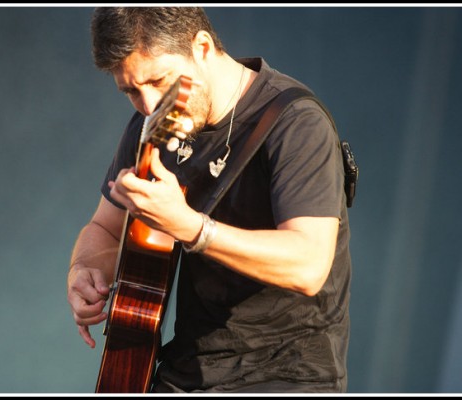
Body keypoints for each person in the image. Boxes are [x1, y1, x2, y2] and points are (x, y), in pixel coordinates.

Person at [67, 6, 352, 393]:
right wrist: (84, 270)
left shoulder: (296, 123)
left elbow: (308, 264)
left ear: (201, 47)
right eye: (131, 90)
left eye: (159, 80)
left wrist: (190, 227)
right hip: (186, 370)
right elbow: (105, 227)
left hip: (286, 374)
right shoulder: (151, 125)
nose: (148, 106)